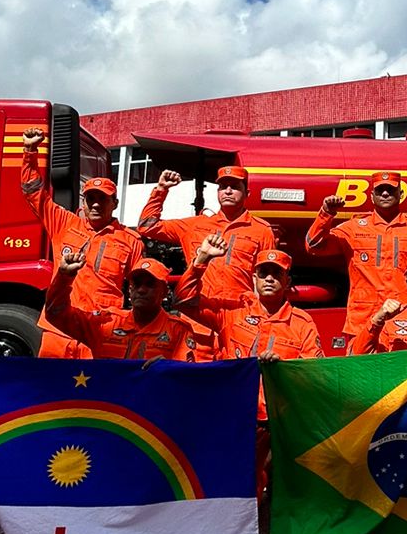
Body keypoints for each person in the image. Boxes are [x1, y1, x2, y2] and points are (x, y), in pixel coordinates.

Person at [176, 238, 324, 499]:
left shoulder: (303, 323)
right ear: (254, 279)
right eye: (264, 273)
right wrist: (202, 260)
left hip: (276, 421)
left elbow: (315, 371)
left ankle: (263, 522)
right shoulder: (233, 310)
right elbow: (184, 301)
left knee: (277, 488)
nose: (269, 279)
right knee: (226, 480)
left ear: (288, 282)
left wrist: (283, 367)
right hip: (233, 413)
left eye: (277, 274)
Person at [21, 129, 144, 358]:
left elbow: (140, 290)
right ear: (83, 202)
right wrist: (30, 151)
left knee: (96, 382)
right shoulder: (63, 223)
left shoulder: (130, 240)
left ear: (115, 203)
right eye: (91, 199)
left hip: (101, 330)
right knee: (51, 381)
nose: (96, 205)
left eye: (102, 199)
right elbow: (33, 192)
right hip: (58, 328)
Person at [306, 172, 407, 337]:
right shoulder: (354, 228)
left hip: (403, 321)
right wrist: (326, 213)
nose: (385, 193)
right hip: (363, 321)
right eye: (380, 190)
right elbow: (314, 246)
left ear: (400, 194)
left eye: (390, 189)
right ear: (372, 196)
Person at [138, 164, 275, 307]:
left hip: (239, 313)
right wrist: (161, 190)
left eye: (234, 187)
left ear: (247, 193)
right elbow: (147, 226)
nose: (228, 191)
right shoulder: (194, 225)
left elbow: (268, 278)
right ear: (218, 192)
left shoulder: (262, 230)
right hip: (197, 313)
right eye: (223, 187)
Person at [43, 248, 210, 362]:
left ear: (164, 292)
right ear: (130, 290)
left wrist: (168, 368)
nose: (141, 290)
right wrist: (64, 277)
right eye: (137, 284)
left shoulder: (179, 330)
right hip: (107, 403)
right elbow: (55, 314)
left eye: (150, 284)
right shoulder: (105, 322)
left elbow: (186, 379)